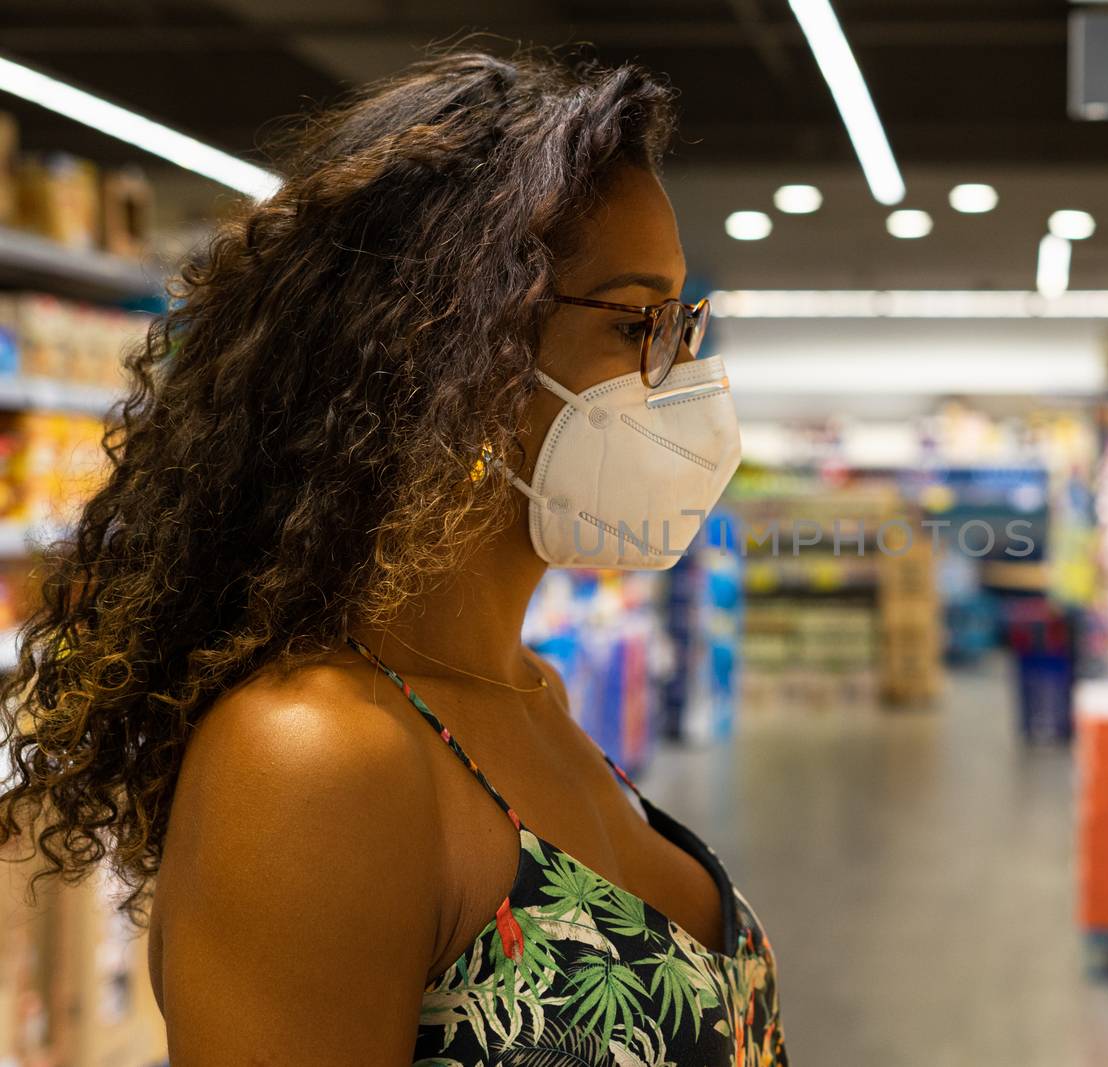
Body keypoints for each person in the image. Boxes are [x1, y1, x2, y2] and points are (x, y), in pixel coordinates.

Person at [0, 47, 786, 1066]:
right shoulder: (317, 754)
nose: (680, 377)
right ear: (448, 348)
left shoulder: (527, 692)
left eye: (684, 324)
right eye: (639, 322)